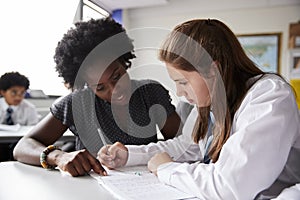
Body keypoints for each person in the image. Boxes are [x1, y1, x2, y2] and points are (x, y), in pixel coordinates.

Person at [98, 19, 300, 199]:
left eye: (183, 82)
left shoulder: (269, 96)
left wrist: (166, 169)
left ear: (214, 70)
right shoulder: (209, 104)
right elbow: (184, 147)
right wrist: (130, 155)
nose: (179, 92)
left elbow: (231, 186)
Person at [13, 17, 181, 177]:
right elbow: (22, 147)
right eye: (100, 87)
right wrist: (59, 157)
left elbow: (183, 144)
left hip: (146, 184)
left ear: (124, 62)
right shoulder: (76, 103)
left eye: (117, 76)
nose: (115, 90)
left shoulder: (150, 92)